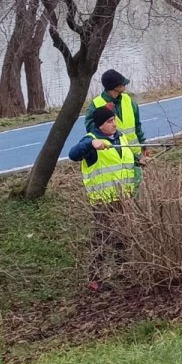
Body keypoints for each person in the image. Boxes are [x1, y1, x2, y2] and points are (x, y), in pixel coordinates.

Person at [68, 105, 136, 292]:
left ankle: (124, 273)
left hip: (124, 199)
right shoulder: (91, 141)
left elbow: (124, 159)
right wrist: (91, 145)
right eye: (109, 121)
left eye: (114, 120)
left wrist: (139, 160)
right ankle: (95, 279)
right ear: (99, 125)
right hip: (104, 202)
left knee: (125, 238)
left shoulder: (120, 138)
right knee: (103, 240)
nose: (114, 124)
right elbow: (73, 154)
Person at [84, 69, 146, 186]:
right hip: (114, 156)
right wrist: (102, 114)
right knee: (120, 189)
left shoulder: (129, 100)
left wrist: (143, 144)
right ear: (115, 87)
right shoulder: (96, 105)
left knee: (137, 188)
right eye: (122, 83)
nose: (125, 85)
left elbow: (137, 125)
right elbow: (91, 130)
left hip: (134, 154)